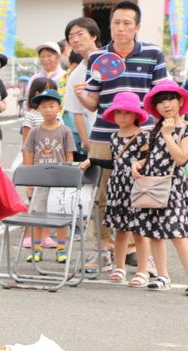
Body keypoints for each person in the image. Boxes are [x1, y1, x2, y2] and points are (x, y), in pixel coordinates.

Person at [74, 1, 168, 273]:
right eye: (116, 22)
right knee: (103, 195)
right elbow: (93, 104)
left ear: (137, 27)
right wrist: (82, 94)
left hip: (143, 138)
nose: (121, 28)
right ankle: (103, 249)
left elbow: (161, 94)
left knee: (142, 194)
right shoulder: (98, 58)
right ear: (110, 25)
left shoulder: (152, 53)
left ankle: (138, 254)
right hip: (104, 136)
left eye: (127, 23)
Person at [79, 92, 152, 287]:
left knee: (138, 231)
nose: (122, 116)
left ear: (136, 114)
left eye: (127, 113)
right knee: (120, 230)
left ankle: (142, 271)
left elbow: (149, 161)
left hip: (136, 188)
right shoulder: (114, 137)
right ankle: (119, 267)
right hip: (117, 187)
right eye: (118, 112)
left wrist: (139, 165)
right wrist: (93, 160)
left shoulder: (143, 136)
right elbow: (114, 163)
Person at [132, 81, 188, 292]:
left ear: (180, 101)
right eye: (160, 102)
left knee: (177, 234)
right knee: (154, 232)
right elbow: (149, 157)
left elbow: (181, 158)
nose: (166, 105)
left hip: (172, 186)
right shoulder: (154, 129)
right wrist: (137, 164)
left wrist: (168, 134)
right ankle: (163, 276)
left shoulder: (184, 129)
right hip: (152, 185)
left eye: (170, 99)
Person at [22, 89, 76, 263]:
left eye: (51, 106)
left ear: (59, 108)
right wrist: (29, 180)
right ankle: (36, 248)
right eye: (43, 106)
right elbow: (28, 154)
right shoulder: (35, 131)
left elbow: (70, 156)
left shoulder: (65, 131)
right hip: (40, 181)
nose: (47, 109)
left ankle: (62, 248)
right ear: (38, 110)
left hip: (60, 182)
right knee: (37, 215)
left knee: (60, 216)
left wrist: (69, 179)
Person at [63, 17, 102, 163]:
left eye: (80, 34)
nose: (75, 39)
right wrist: (86, 141)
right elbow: (77, 112)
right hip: (97, 136)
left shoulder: (111, 61)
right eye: (71, 37)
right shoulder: (75, 75)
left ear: (94, 36)